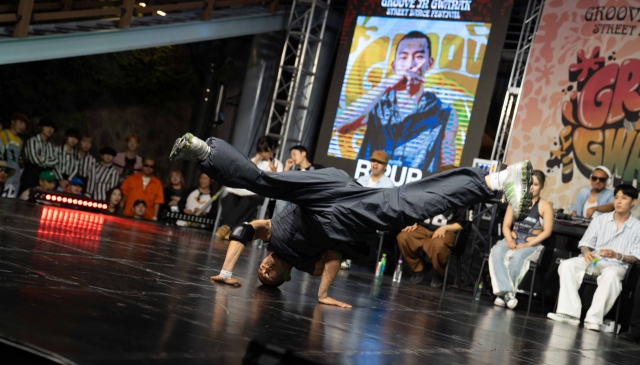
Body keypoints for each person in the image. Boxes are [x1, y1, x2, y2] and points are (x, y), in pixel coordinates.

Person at [170, 133, 533, 308]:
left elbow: (244, 230)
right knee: (404, 207)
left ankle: (200, 148)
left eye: (261, 273)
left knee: (264, 182)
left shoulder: (272, 240)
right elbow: (331, 259)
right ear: (287, 277)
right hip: (340, 211)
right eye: (270, 277)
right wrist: (323, 295)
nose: (264, 271)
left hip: (320, 192)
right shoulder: (307, 265)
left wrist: (229, 272)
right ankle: (500, 179)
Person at [337, 32, 458, 173]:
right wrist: (385, 85)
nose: (410, 64)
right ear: (394, 66)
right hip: (371, 186)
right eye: (403, 57)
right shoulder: (376, 104)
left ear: (429, 63)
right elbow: (342, 127)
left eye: (419, 56)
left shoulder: (444, 113)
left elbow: (447, 166)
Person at [547, 184, 640, 330]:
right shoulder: (600, 220)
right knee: (568, 265)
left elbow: (637, 258)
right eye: (616, 198)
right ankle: (569, 314)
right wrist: (586, 251)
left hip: (618, 265)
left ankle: (593, 319)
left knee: (611, 275)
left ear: (633, 202)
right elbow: (584, 244)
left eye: (624, 198)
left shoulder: (637, 227)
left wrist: (618, 255)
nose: (618, 201)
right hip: (596, 260)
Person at [489, 170, 554, 309]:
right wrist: (509, 240)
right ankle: (507, 293)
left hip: (532, 245)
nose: (531, 187)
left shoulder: (545, 206)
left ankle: (503, 295)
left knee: (517, 257)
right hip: (512, 240)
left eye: (535, 184)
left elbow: (547, 232)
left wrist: (528, 244)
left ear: (541, 186)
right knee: (496, 251)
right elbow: (506, 226)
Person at [213, 140, 284, 239]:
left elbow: (277, 183)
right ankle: (231, 228)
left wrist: (274, 172)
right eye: (261, 151)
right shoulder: (254, 159)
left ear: (271, 149)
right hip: (245, 189)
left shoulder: (277, 163)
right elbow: (243, 173)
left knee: (247, 201)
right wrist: (255, 160)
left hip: (260, 192)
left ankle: (227, 226)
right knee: (228, 198)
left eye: (265, 151)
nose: (263, 154)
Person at [397, 208, 468, 287]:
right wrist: (414, 222)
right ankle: (418, 269)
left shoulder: (461, 198)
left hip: (446, 230)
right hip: (423, 227)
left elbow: (463, 223)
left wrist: (444, 228)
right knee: (403, 237)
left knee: (438, 245)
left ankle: (440, 274)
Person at [22, 118, 58, 191]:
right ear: (40, 127)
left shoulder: (50, 145)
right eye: (47, 126)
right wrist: (47, 161)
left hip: (45, 175)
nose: (50, 129)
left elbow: (55, 161)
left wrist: (42, 159)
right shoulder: (32, 141)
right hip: (31, 173)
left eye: (52, 128)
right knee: (27, 195)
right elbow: (34, 160)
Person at [0, 112, 31, 196]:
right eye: (20, 123)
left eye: (24, 125)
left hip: (15, 174)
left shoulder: (20, 141)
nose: (22, 126)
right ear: (13, 122)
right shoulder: (3, 134)